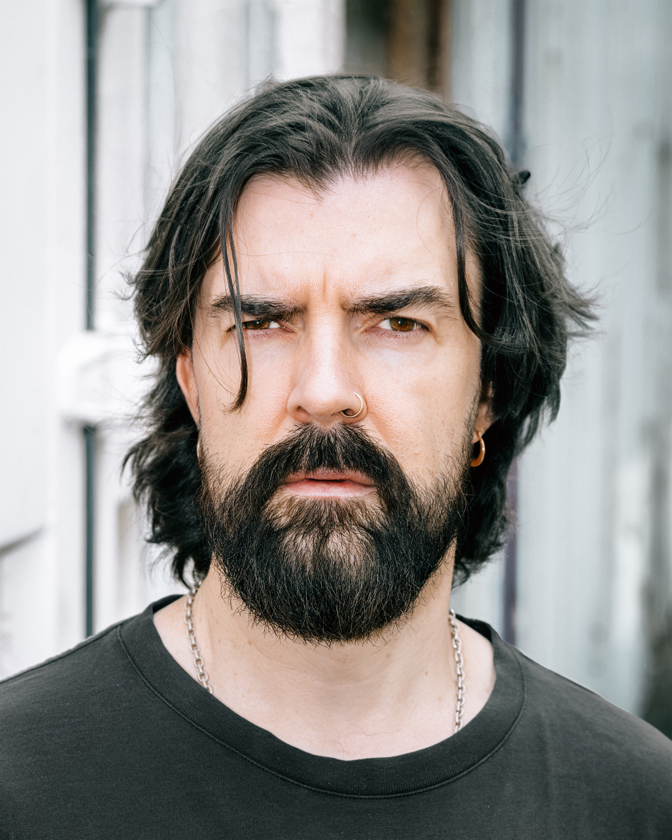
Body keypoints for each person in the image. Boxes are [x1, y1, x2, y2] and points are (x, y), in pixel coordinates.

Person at [1, 75, 670, 839]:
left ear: (489, 389)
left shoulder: (636, 806)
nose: (323, 392)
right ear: (189, 381)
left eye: (397, 323)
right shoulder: (18, 790)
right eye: (262, 323)